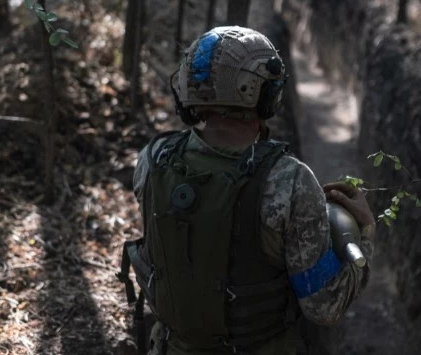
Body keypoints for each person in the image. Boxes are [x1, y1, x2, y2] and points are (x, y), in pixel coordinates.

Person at [119, 26, 376, 355]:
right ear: (265, 94)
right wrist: (365, 237)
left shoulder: (152, 161)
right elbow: (324, 307)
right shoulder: (289, 182)